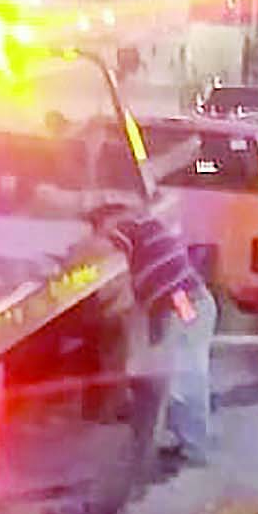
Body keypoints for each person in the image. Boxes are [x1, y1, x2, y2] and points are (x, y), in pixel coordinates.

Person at [97, 199, 214, 467]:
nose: (98, 232)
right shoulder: (144, 230)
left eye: (99, 225)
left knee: (184, 377)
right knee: (177, 374)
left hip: (186, 304)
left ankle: (193, 450)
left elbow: (110, 244)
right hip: (180, 304)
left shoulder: (130, 228)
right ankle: (186, 444)